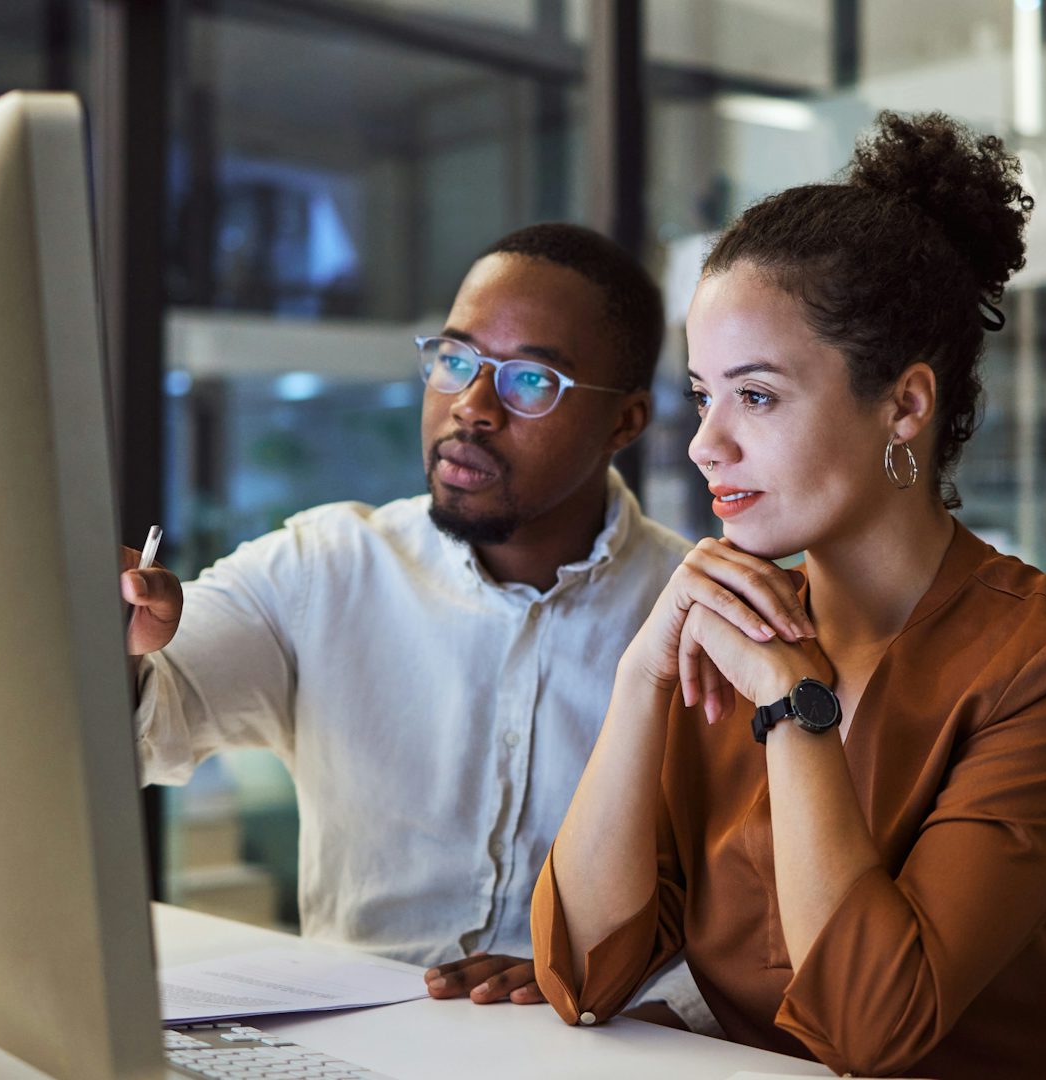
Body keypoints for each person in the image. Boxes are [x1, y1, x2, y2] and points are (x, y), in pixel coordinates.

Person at [531, 114, 1046, 1078]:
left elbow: (877, 1029)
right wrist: (639, 676)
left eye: (759, 396)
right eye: (702, 396)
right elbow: (582, 974)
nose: (706, 444)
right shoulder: (726, 627)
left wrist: (794, 708)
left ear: (906, 404)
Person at [121, 223, 711, 1027]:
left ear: (626, 423)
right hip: (350, 1045)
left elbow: (749, 927)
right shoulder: (327, 566)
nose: (470, 407)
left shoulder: (696, 618)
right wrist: (119, 648)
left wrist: (616, 985)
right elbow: (146, 731)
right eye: (457, 359)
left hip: (596, 1048)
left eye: (531, 381)